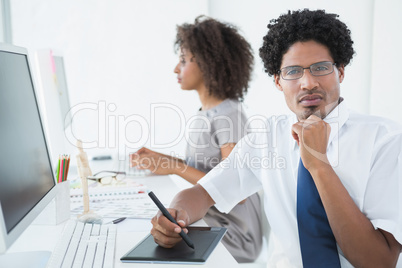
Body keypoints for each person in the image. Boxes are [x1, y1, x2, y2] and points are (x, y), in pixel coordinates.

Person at [149, 9, 402, 267]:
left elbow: (379, 262)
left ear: (341, 71)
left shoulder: (385, 141)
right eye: (293, 71)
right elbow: (202, 194)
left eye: (321, 68)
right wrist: (174, 215)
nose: (307, 83)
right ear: (278, 81)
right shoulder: (266, 138)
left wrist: (318, 164)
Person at [130, 16, 263, 263]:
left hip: (234, 232)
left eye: (183, 61)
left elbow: (238, 188)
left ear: (208, 63)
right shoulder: (208, 112)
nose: (175, 69)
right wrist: (163, 161)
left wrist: (175, 167)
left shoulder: (229, 114)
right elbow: (209, 169)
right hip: (213, 217)